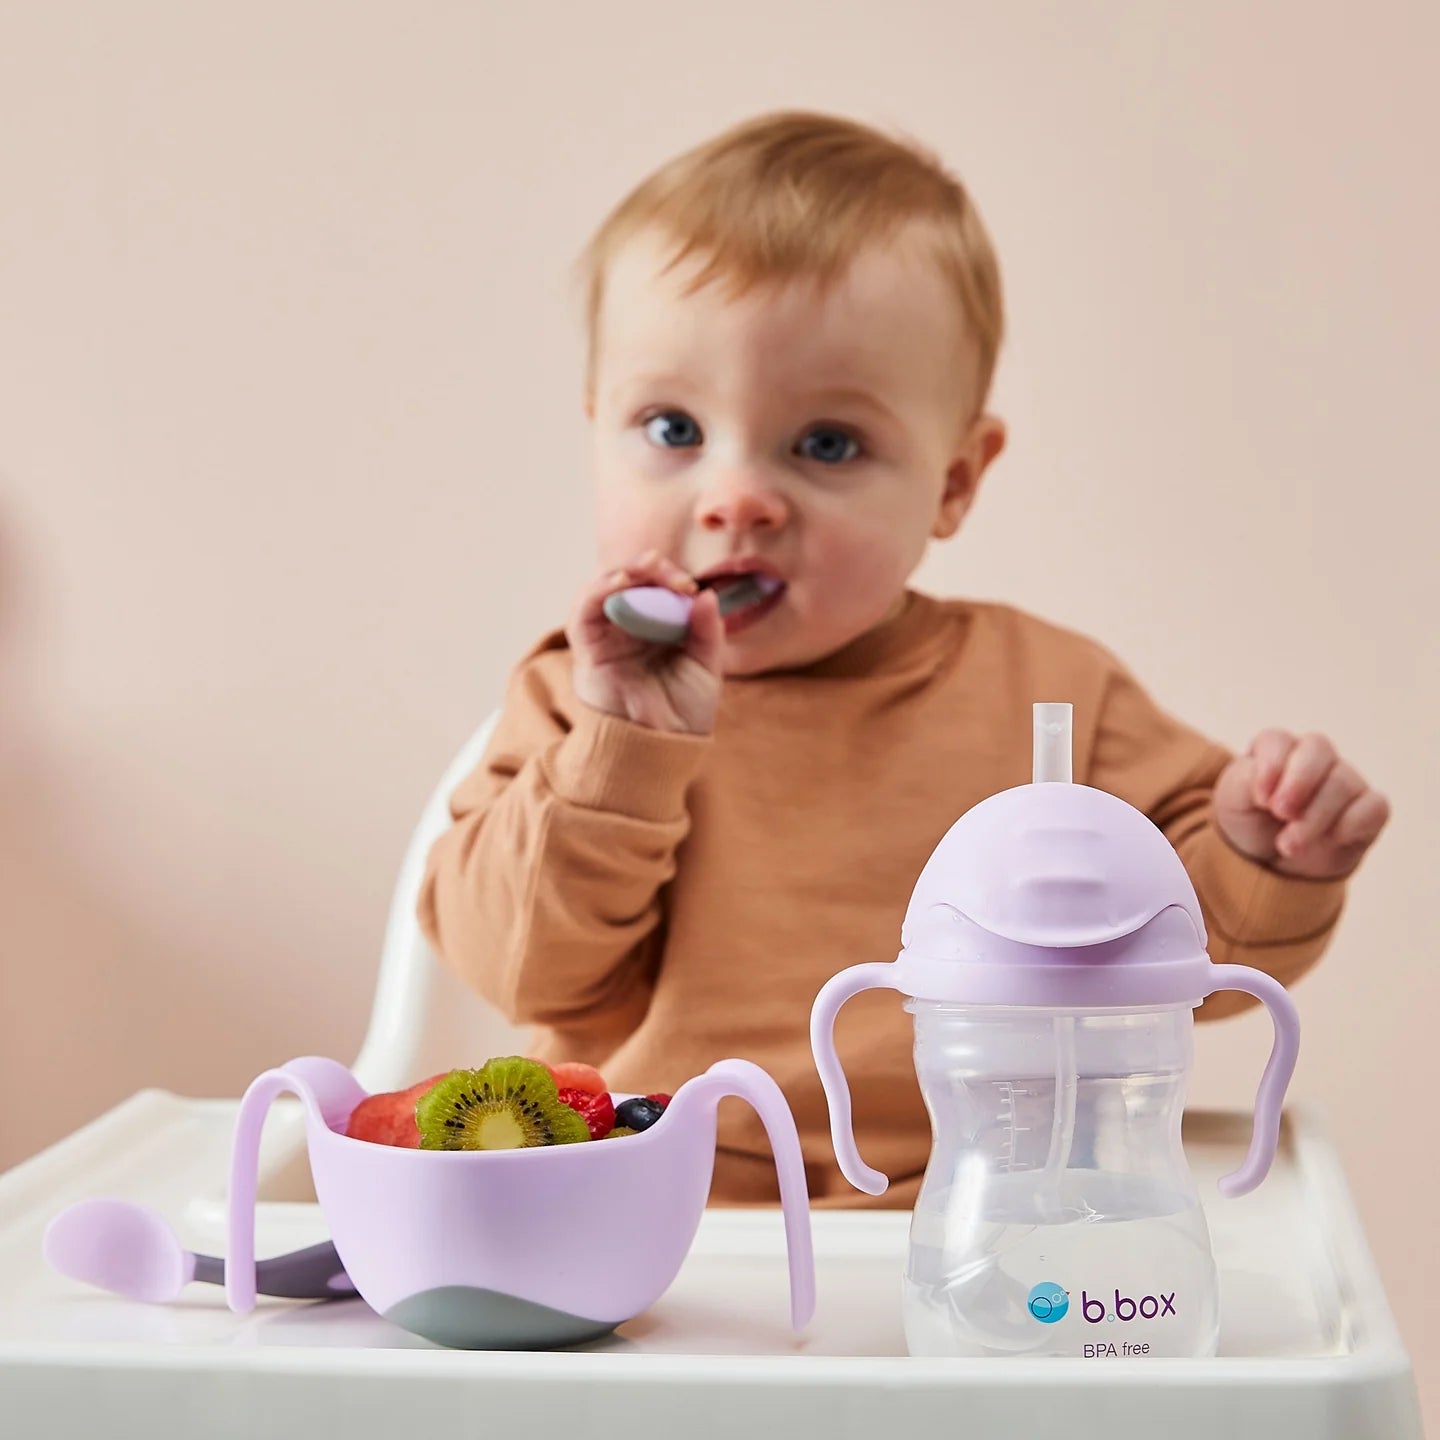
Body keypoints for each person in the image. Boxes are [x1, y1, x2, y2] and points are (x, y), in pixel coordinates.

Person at [418, 110, 1389, 1207]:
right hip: (660, 1223)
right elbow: (519, 968)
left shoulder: (1050, 693)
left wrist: (1265, 855)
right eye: (673, 429)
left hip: (987, 1219)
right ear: (598, 429)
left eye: (826, 443)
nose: (735, 499)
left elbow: (1184, 970)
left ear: (956, 481)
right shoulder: (575, 703)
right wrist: (620, 750)